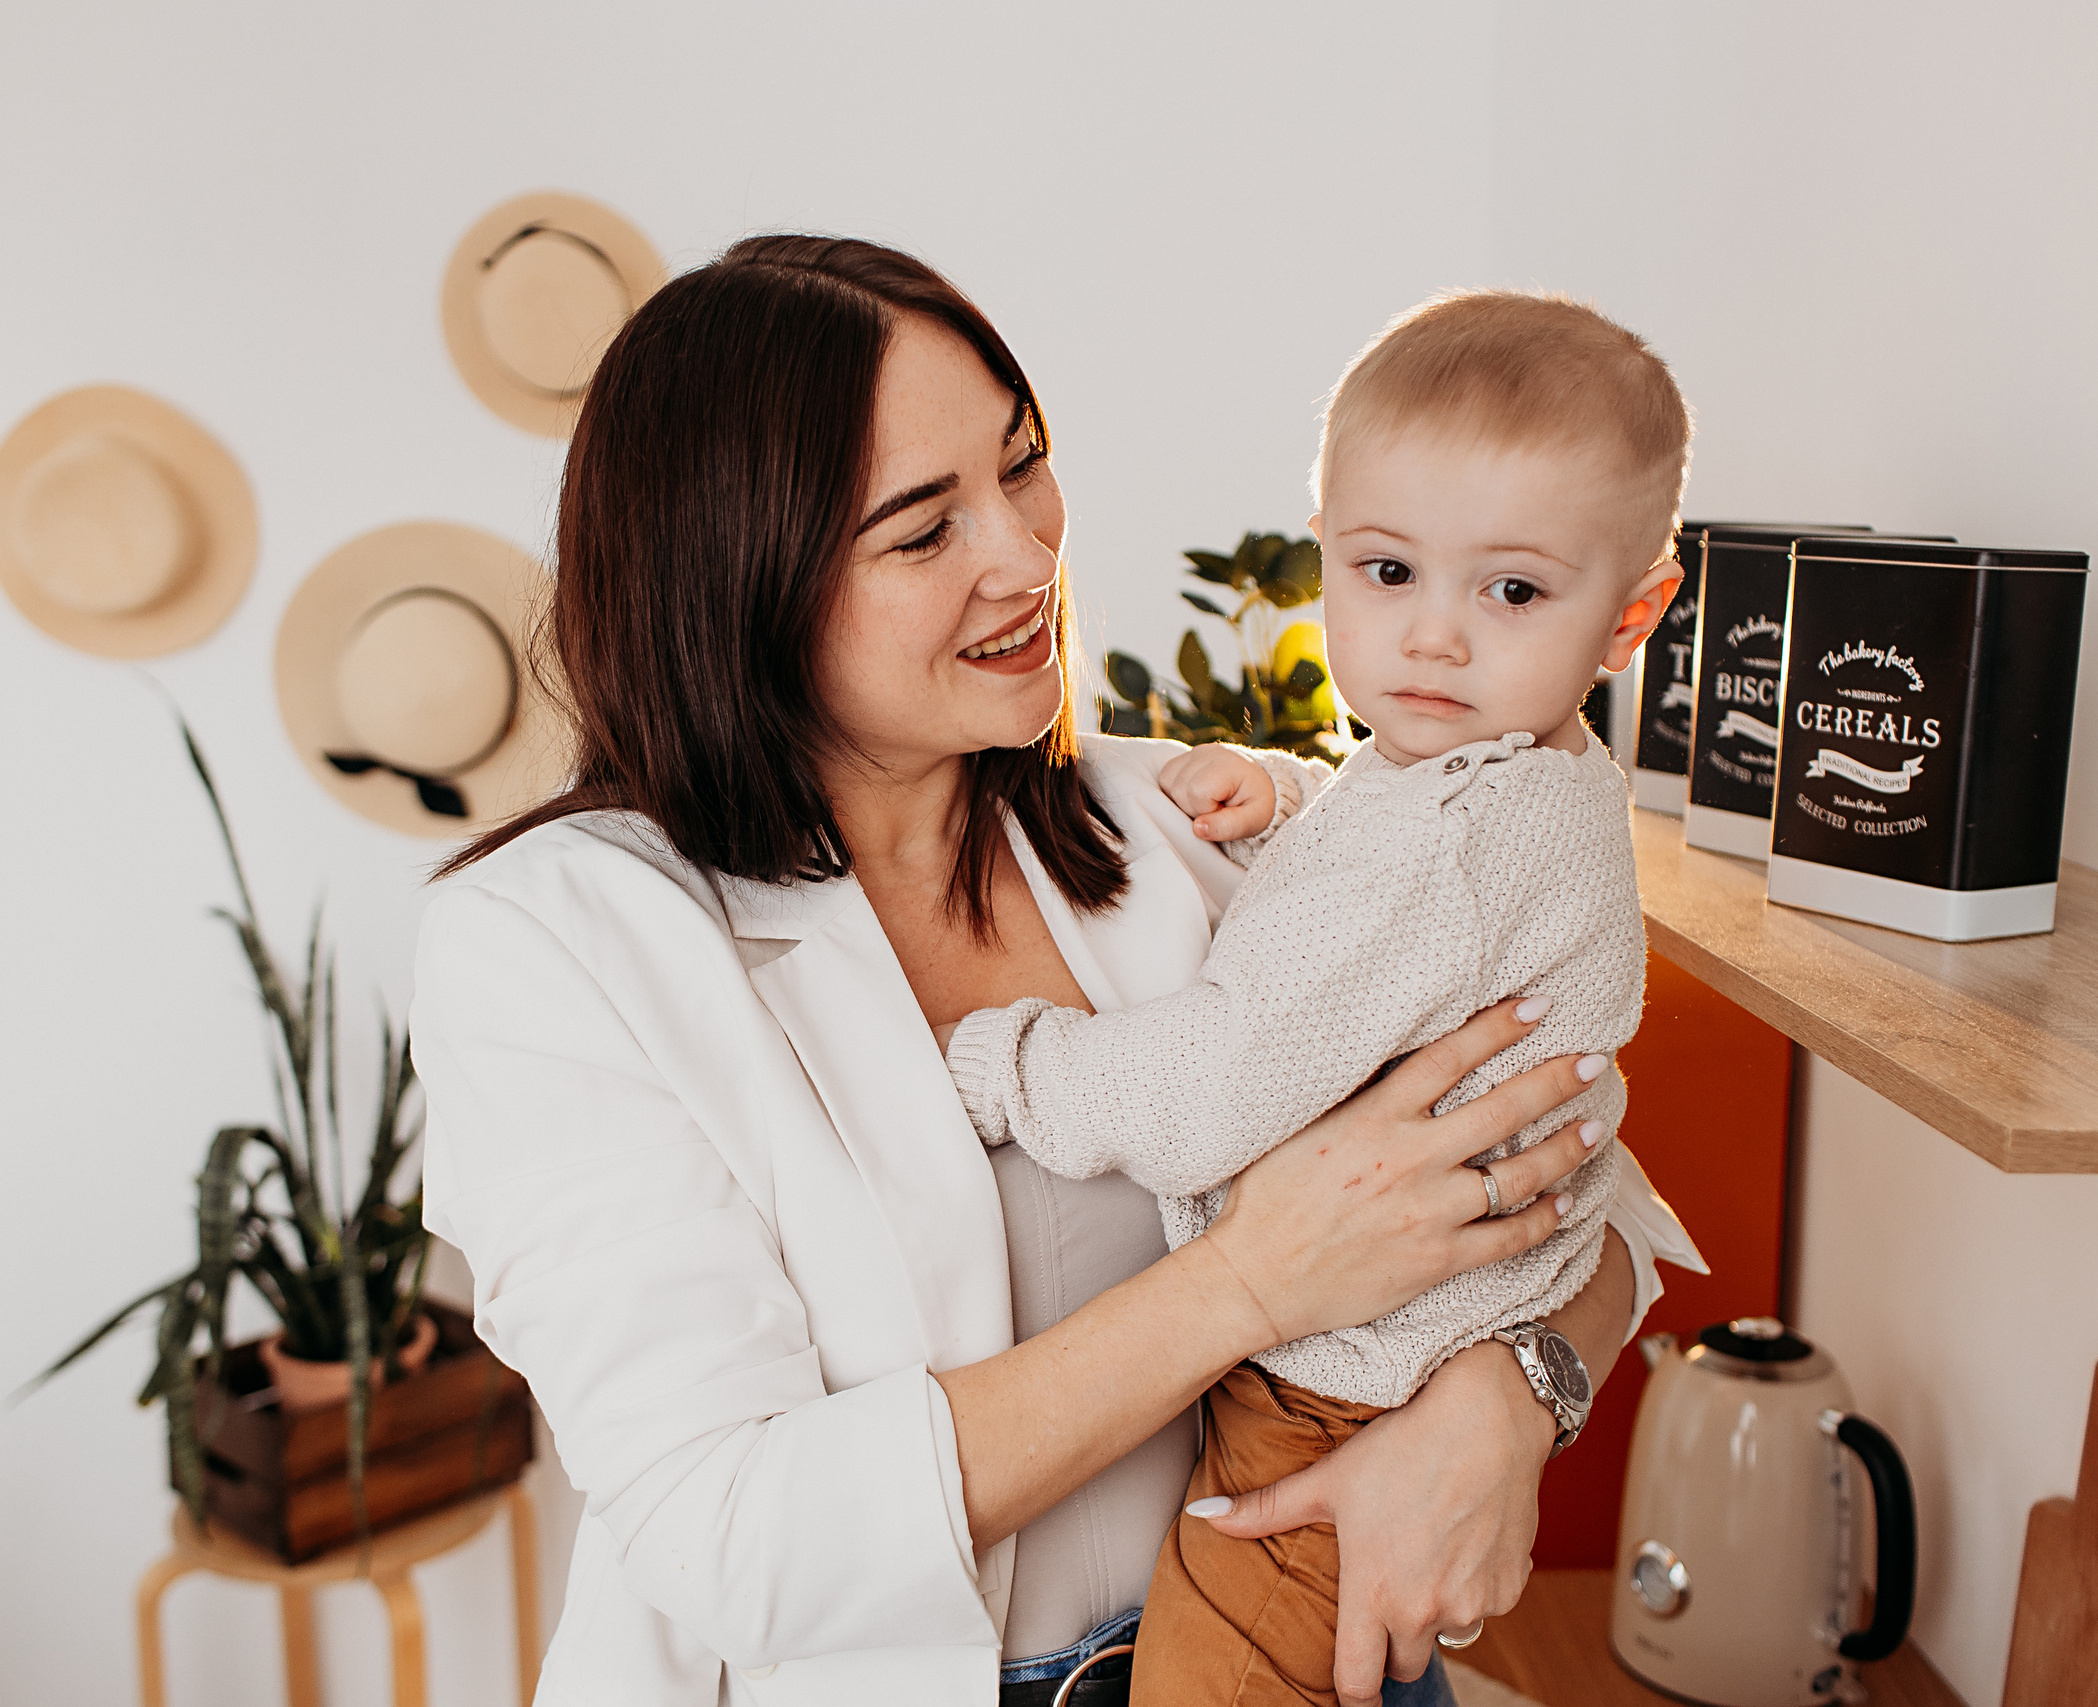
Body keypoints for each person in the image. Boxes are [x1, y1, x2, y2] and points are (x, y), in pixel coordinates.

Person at [410, 236, 1704, 1707]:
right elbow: (729, 1536)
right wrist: (1254, 1282)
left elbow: (1587, 1184)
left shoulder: (1194, 823)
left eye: (1023, 468)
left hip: (1276, 1646)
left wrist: (1506, 1404)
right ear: (740, 583)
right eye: (922, 531)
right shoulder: (552, 943)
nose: (1028, 558)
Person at [939, 291, 1691, 1706]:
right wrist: (1293, 795)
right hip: (1402, 1356)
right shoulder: (1503, 783)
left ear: (1633, 614)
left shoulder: (1450, 840)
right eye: (1387, 571)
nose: (1434, 641)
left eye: (1512, 592)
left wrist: (1004, 1064)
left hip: (1341, 1400)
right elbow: (1418, 876)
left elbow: (1210, 1096)